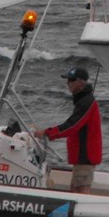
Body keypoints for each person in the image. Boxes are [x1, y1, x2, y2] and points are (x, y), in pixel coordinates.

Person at [39, 66, 102, 194]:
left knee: (81, 187)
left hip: (85, 155)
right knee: (75, 188)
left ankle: (84, 212)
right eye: (68, 80)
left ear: (80, 82)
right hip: (81, 155)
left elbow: (72, 125)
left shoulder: (86, 102)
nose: (68, 83)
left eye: (71, 80)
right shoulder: (82, 101)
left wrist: (47, 132)